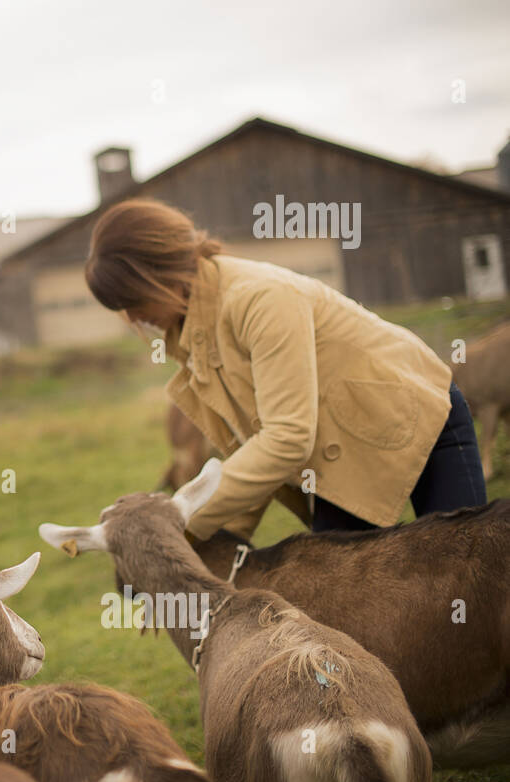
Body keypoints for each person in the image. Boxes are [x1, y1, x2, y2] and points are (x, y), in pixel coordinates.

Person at [84, 197, 487, 540]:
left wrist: (182, 518)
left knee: (467, 581)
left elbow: (287, 438)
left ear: (160, 273)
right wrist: (197, 539)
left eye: (131, 299)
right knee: (342, 600)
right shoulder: (192, 333)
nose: (130, 315)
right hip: (344, 454)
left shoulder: (258, 299)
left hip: (421, 419)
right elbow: (251, 450)